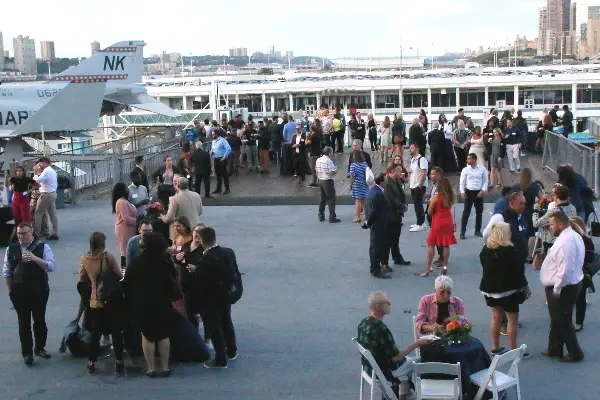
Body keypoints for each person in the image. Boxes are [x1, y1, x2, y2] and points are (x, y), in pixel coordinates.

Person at [124, 232, 179, 376]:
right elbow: (173, 278)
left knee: (147, 335)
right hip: (162, 302)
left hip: (143, 303)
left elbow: (127, 282)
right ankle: (165, 367)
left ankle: (151, 368)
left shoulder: (136, 262)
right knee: (163, 335)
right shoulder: (164, 261)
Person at [357, 292, 433, 394]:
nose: (390, 305)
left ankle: (403, 394)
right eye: (387, 303)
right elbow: (397, 357)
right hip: (385, 370)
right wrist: (418, 343)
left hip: (370, 369)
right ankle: (411, 394)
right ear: (378, 306)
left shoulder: (363, 322)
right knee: (418, 363)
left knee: (410, 363)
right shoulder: (380, 328)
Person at [3, 222, 56, 365]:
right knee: (23, 322)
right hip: (19, 292)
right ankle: (27, 353)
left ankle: (40, 347)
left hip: (39, 290)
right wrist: (10, 292)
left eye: (24, 233)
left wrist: (34, 258)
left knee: (39, 319)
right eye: (19, 233)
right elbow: (6, 271)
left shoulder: (42, 247)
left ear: (31, 232)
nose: (21, 236)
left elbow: (51, 266)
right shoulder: (11, 249)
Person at [540, 211, 585, 362]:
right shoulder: (573, 236)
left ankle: (575, 353)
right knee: (557, 318)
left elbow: (565, 269)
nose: (550, 228)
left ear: (560, 224)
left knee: (562, 320)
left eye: (552, 224)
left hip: (563, 288)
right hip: (571, 284)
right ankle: (554, 348)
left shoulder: (566, 241)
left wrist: (557, 289)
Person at [480, 222, 530, 356]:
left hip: (489, 289)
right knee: (512, 319)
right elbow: (518, 272)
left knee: (496, 317)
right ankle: (514, 350)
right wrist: (525, 287)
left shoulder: (485, 249)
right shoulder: (510, 251)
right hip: (507, 291)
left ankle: (495, 347)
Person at [191, 227, 239, 368]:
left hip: (210, 300)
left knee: (214, 327)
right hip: (226, 295)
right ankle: (231, 350)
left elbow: (201, 284)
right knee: (226, 322)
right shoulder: (228, 252)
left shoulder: (205, 261)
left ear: (201, 239)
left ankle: (220, 359)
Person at [79, 232, 125, 374]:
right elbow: (119, 275)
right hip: (110, 299)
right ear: (102, 243)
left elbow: (82, 278)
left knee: (96, 332)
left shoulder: (84, 259)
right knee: (116, 332)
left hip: (95, 300)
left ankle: (91, 361)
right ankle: (119, 360)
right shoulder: (108, 257)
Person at [419, 176, 456, 276]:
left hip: (438, 221)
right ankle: (444, 267)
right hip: (448, 220)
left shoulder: (436, 197)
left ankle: (427, 269)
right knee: (446, 244)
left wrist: (430, 204)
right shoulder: (450, 196)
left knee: (431, 244)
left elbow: (430, 212)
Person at [533, 183, 577, 255]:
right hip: (569, 241)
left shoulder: (554, 211)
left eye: (553, 194)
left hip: (552, 243)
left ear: (556, 196)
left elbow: (536, 224)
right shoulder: (572, 207)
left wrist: (535, 211)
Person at [363, 174, 392, 279]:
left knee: (375, 247)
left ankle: (375, 267)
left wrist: (367, 221)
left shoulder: (372, 191)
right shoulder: (378, 194)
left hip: (377, 224)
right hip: (379, 224)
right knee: (376, 247)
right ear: (382, 182)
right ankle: (376, 270)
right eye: (386, 180)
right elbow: (374, 211)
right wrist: (368, 222)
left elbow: (368, 208)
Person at [569, 217, 595, 332]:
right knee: (571, 299)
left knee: (580, 298)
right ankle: (572, 322)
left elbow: (589, 257)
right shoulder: (567, 239)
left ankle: (579, 322)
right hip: (570, 273)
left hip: (581, 273)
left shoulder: (585, 240)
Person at [383, 165, 411, 267]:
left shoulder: (397, 181)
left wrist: (403, 205)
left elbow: (401, 195)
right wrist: (402, 206)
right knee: (388, 240)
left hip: (397, 214)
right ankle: (384, 263)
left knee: (395, 238)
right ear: (393, 172)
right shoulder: (387, 183)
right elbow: (390, 199)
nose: (401, 174)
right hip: (390, 215)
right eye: (399, 172)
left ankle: (397, 258)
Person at [512, 168, 542, 262]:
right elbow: (541, 198)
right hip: (530, 210)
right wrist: (538, 203)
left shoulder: (516, 187)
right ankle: (529, 256)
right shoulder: (534, 186)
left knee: (519, 232)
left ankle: (520, 254)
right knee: (531, 233)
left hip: (519, 210)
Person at [459, 153, 488, 240]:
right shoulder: (465, 170)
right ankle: (462, 232)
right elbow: (462, 182)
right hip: (469, 192)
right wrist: (462, 192)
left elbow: (486, 180)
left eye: (469, 159)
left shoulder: (482, 169)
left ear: (474, 160)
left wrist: (483, 190)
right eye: (467, 159)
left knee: (479, 212)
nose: (467, 160)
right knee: (466, 213)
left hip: (479, 192)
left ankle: (477, 230)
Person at [32, 157, 59, 240]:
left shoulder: (46, 171)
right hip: (53, 193)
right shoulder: (52, 171)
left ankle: (36, 233)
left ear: (45, 163)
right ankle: (55, 233)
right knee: (52, 214)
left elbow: (35, 181)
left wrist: (37, 173)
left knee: (38, 213)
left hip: (46, 194)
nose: (39, 165)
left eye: (40, 163)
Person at [112, 182, 137, 268]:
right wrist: (139, 221)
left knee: (128, 249)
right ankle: (125, 270)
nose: (128, 190)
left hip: (128, 229)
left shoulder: (125, 201)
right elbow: (126, 219)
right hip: (124, 229)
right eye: (126, 188)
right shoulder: (121, 202)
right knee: (125, 251)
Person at [315, 147, 340, 223]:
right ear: (329, 153)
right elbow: (331, 172)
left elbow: (316, 171)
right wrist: (336, 169)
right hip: (327, 181)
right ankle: (332, 217)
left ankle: (321, 215)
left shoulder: (318, 160)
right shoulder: (328, 161)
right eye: (332, 152)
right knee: (331, 199)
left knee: (322, 199)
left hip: (320, 180)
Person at [408, 144, 428, 232]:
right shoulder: (412, 160)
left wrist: (420, 185)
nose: (410, 150)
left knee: (418, 204)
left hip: (418, 185)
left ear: (417, 149)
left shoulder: (422, 159)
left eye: (412, 148)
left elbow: (424, 173)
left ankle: (419, 223)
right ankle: (422, 222)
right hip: (413, 184)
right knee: (417, 204)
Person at [426, 167, 444, 267]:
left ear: (438, 175)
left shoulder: (441, 187)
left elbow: (440, 200)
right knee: (437, 238)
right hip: (432, 214)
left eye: (432, 174)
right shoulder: (435, 185)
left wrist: (431, 202)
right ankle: (441, 256)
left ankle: (442, 258)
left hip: (437, 215)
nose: (430, 176)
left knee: (438, 238)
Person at [348, 150, 370, 223]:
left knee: (357, 201)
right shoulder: (365, 163)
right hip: (364, 183)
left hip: (357, 184)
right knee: (364, 200)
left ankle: (358, 217)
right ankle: (367, 216)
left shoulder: (353, 165)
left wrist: (350, 184)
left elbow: (352, 176)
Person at [211, 127, 232, 195]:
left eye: (213, 134)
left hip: (221, 159)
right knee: (218, 174)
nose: (212, 135)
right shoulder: (213, 141)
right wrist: (212, 153)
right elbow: (213, 149)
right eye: (212, 134)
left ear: (217, 134)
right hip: (216, 159)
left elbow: (228, 149)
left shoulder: (223, 140)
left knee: (224, 174)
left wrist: (224, 157)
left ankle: (227, 188)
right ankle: (218, 188)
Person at [306, 120, 322, 188]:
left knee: (313, 169)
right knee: (316, 168)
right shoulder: (317, 135)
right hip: (317, 153)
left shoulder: (313, 137)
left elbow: (306, 144)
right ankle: (315, 182)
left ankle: (315, 182)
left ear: (311, 129)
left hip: (314, 154)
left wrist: (307, 136)